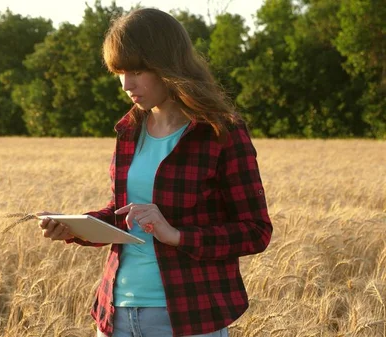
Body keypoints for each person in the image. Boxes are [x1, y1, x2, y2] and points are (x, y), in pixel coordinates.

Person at [37, 7, 272, 337]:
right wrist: (75, 227)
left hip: (188, 317)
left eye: (136, 71)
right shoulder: (130, 129)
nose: (125, 84)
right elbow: (125, 215)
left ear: (167, 65)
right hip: (116, 314)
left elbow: (255, 230)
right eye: (119, 72)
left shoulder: (220, 132)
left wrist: (176, 235)